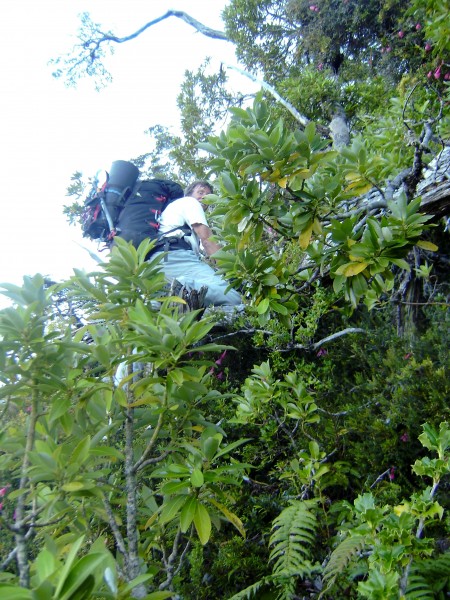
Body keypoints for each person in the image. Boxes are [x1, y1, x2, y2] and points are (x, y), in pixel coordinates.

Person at [152, 180, 242, 307]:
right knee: (232, 296)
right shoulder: (190, 202)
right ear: (189, 194)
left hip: (157, 260)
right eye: (200, 192)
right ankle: (178, 286)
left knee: (169, 306)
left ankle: (154, 303)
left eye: (208, 195)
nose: (204, 196)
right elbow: (207, 241)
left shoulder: (174, 210)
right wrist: (230, 272)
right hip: (175, 256)